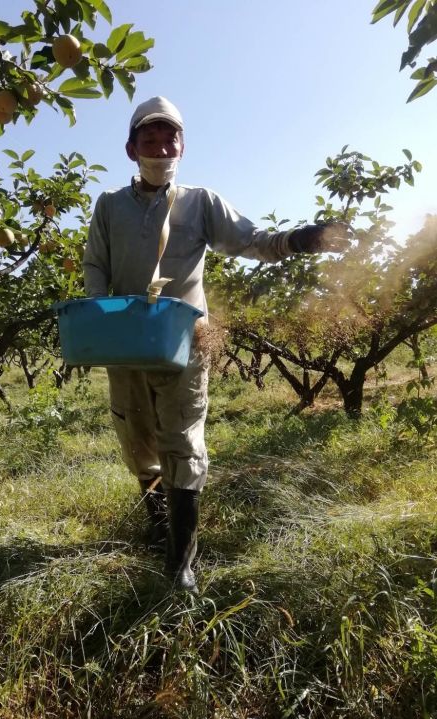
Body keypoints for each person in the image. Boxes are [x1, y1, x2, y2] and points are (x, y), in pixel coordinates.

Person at [83, 96, 348, 593]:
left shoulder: (200, 201)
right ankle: (160, 525)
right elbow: (96, 263)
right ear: (130, 148)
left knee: (183, 438)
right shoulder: (109, 206)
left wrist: (298, 240)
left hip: (184, 339)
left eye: (170, 138)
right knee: (137, 439)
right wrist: (100, 311)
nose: (161, 147)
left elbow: (249, 239)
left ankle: (181, 560)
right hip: (126, 341)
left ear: (183, 145)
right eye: (150, 139)